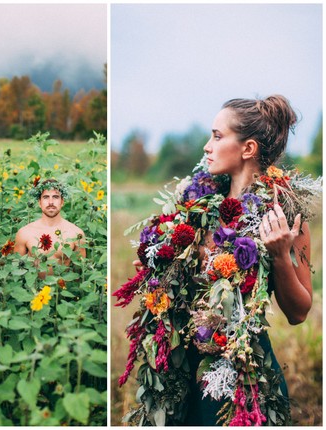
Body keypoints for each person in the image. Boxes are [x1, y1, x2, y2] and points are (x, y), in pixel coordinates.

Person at [133, 95, 312, 425]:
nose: (206, 146)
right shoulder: (195, 205)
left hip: (240, 373)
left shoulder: (283, 216)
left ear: (248, 149)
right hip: (181, 369)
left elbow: (299, 313)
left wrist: (280, 257)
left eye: (217, 136)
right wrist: (154, 273)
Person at [14, 178, 86, 264]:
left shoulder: (76, 234)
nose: (51, 202)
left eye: (55, 197)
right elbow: (16, 269)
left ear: (62, 202)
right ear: (39, 202)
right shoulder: (25, 233)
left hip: (63, 277)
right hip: (34, 277)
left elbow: (80, 272)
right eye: (46, 197)